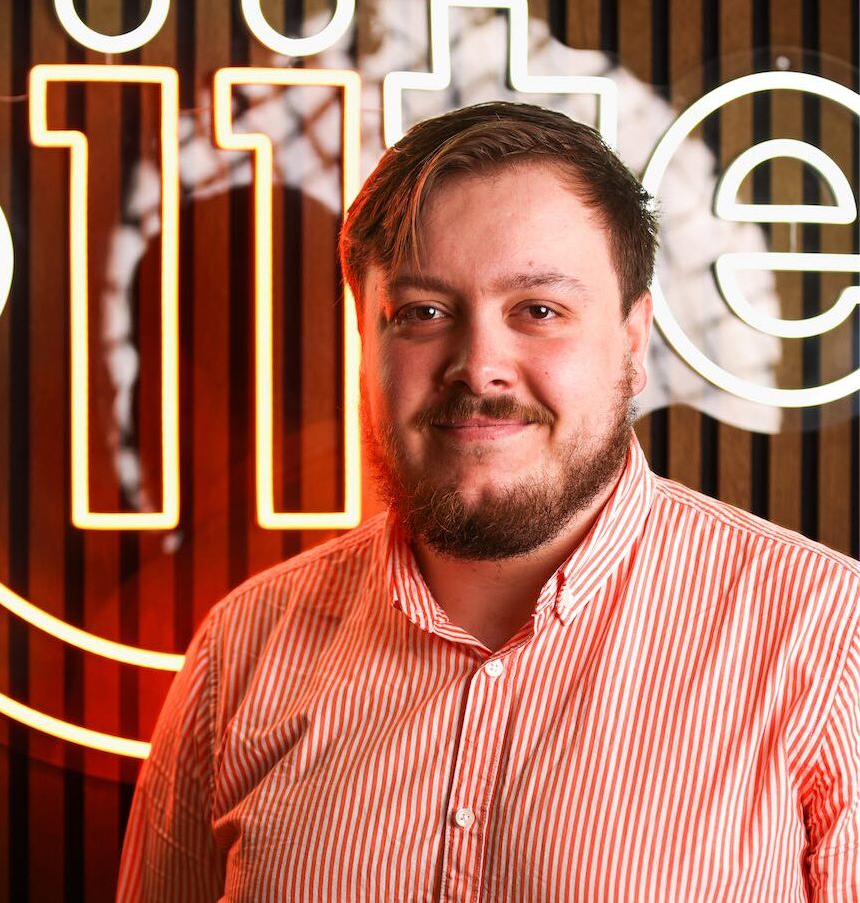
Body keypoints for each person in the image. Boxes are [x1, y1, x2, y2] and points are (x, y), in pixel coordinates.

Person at [117, 102, 860, 901]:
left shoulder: (822, 639)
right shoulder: (241, 653)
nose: (478, 366)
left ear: (632, 341)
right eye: (422, 313)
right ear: (365, 341)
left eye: (537, 311)